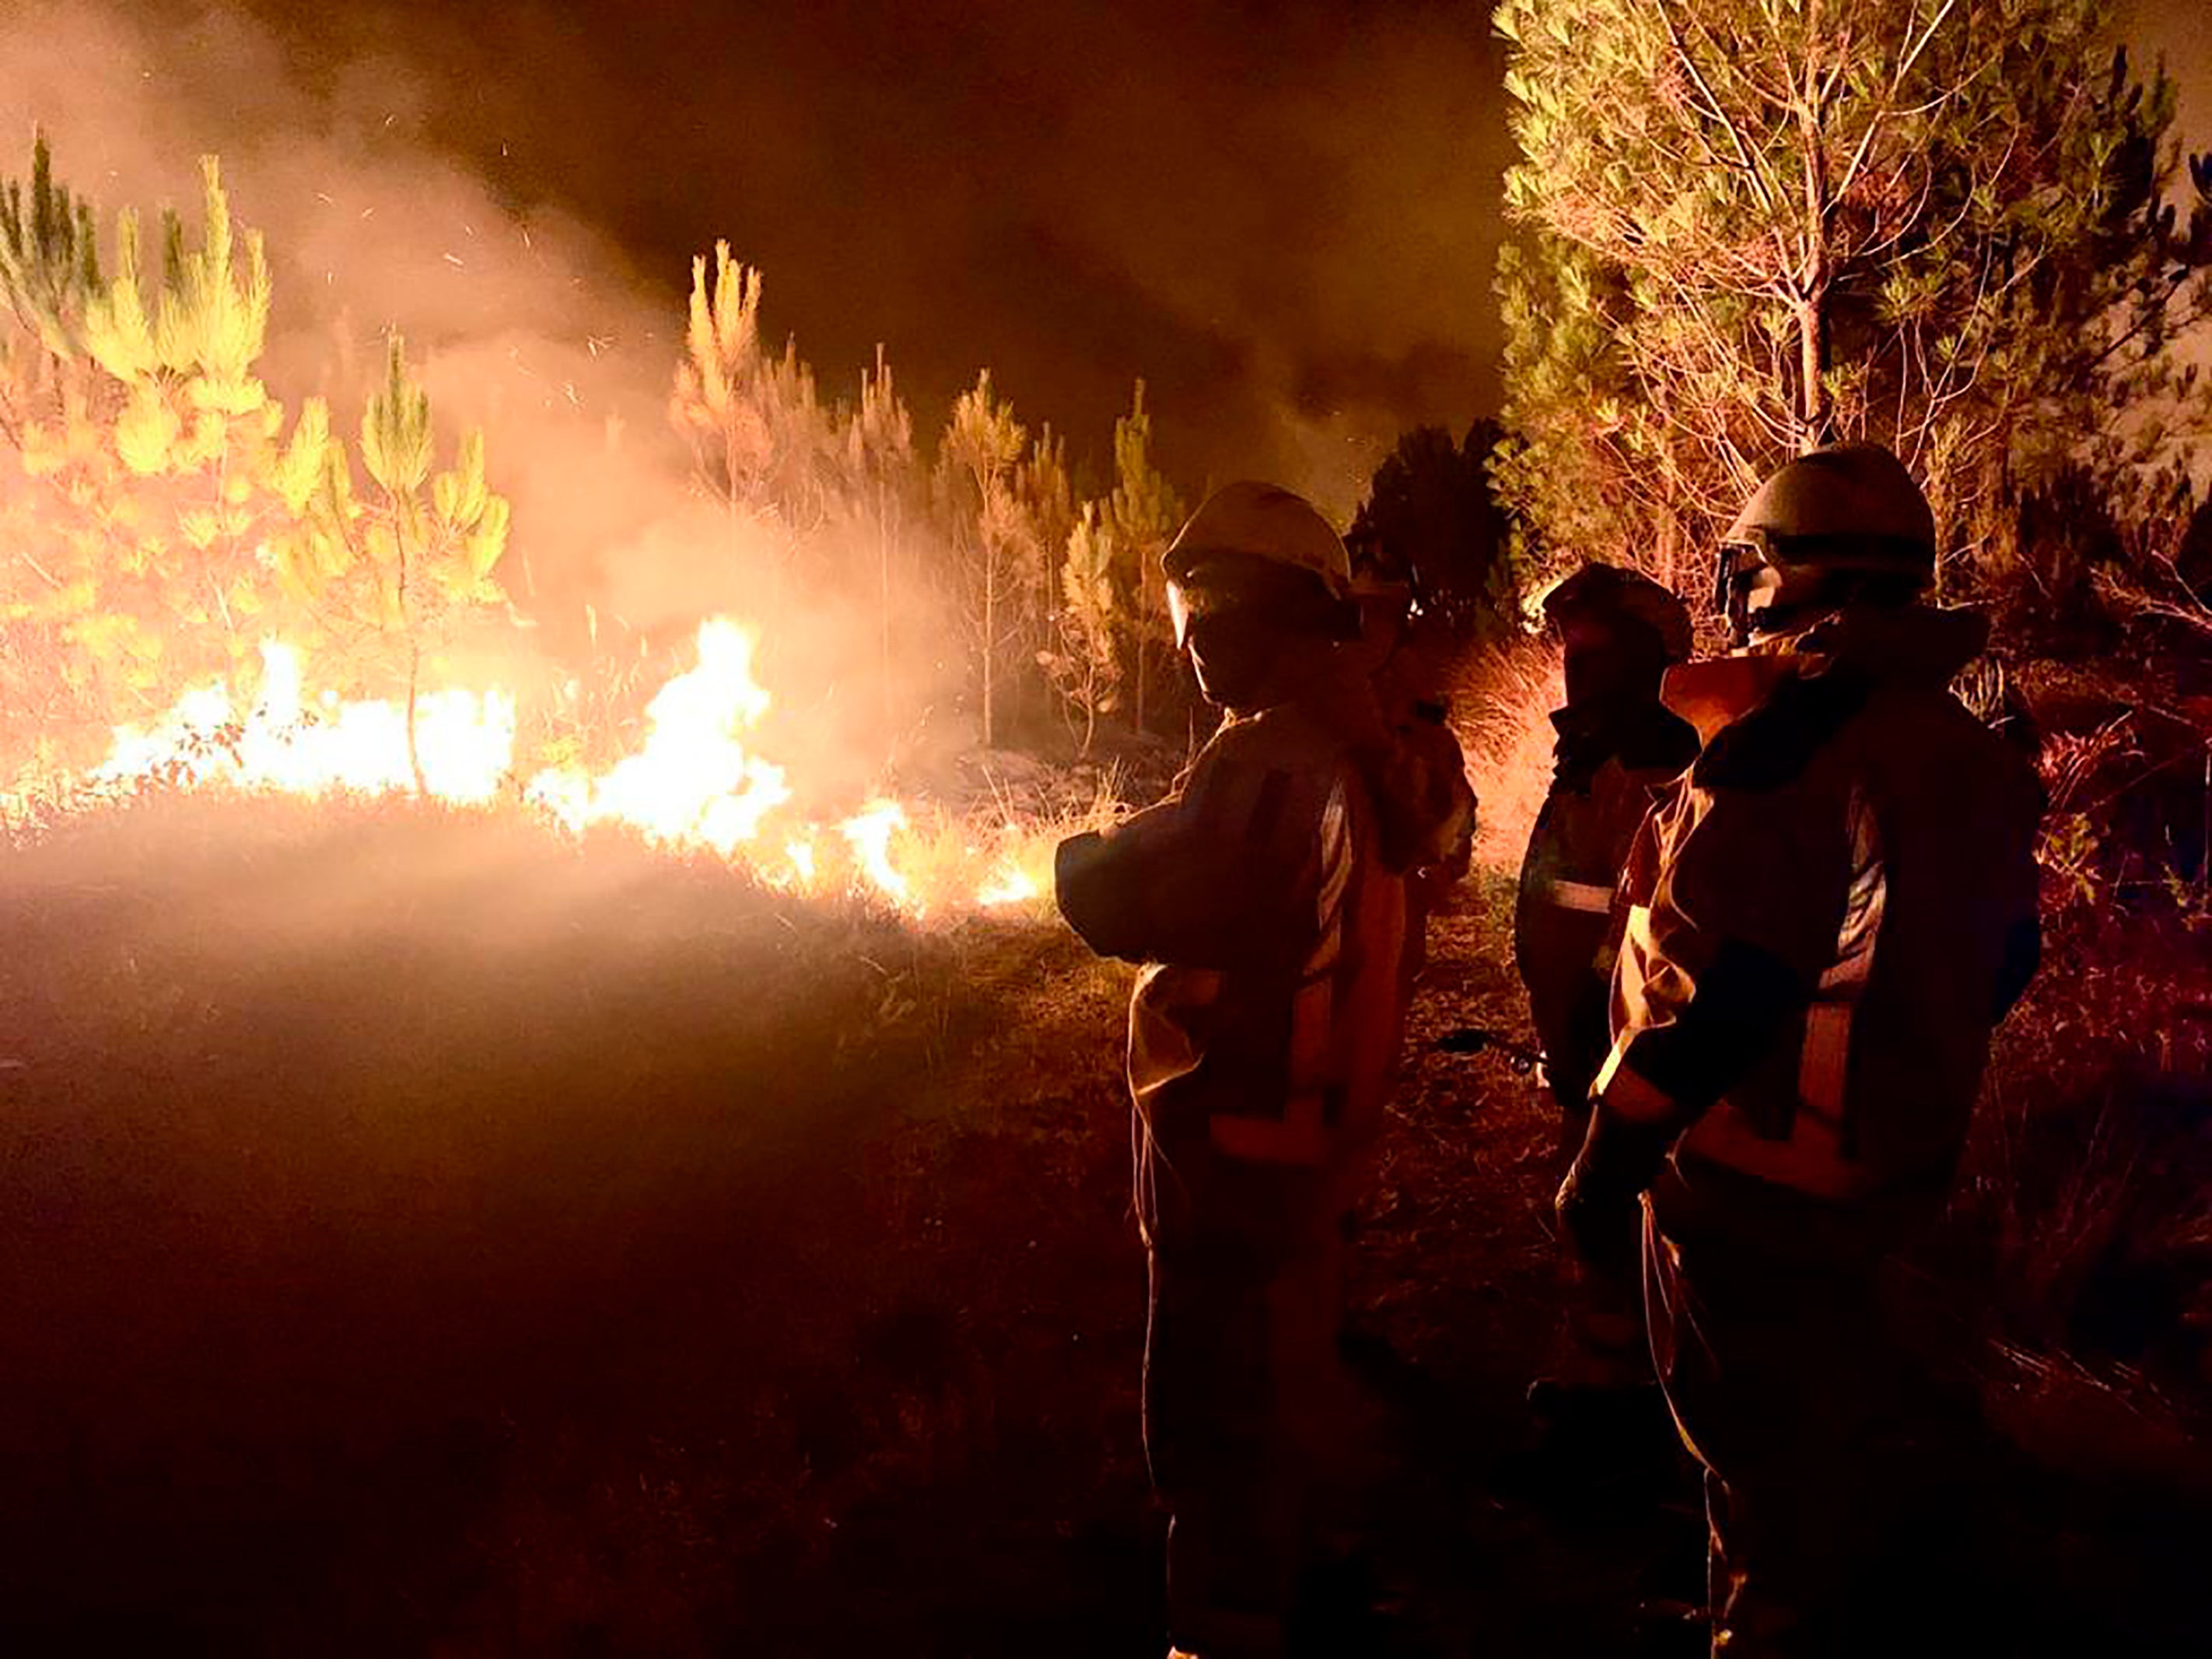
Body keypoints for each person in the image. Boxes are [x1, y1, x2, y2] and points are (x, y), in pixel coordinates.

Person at [1556, 443, 2045, 1656]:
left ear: (1782, 579)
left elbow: (1728, 980)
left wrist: (1610, 1152)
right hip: (1873, 1170)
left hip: (1747, 1178)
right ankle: (1760, 1584)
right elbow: (2005, 961)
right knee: (1810, 1422)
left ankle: (1764, 1621)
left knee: (1755, 1435)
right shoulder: (1965, 748)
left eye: (1747, 569)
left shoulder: (1788, 744)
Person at [1056, 481, 1446, 1659]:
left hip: (1233, 1150)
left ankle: (1222, 1630)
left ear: (1234, 616)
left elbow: (1127, 890)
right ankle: (1287, 1581)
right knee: (1281, 1388)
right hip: (1306, 1136)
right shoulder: (1359, 744)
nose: (1191, 649)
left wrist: (1079, 852)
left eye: (1199, 621)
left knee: (1215, 1417)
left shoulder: (1273, 762)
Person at [1513, 564, 1699, 1461]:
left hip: (1627, 1043)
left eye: (1599, 656)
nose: (1578, 675)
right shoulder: (1589, 753)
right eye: (1571, 656)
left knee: (1621, 1215)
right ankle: (1607, 1384)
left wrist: (1594, 1017)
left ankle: (1630, 1416)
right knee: (1588, 1222)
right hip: (1583, 1031)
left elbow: (1649, 921)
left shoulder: (1665, 765)